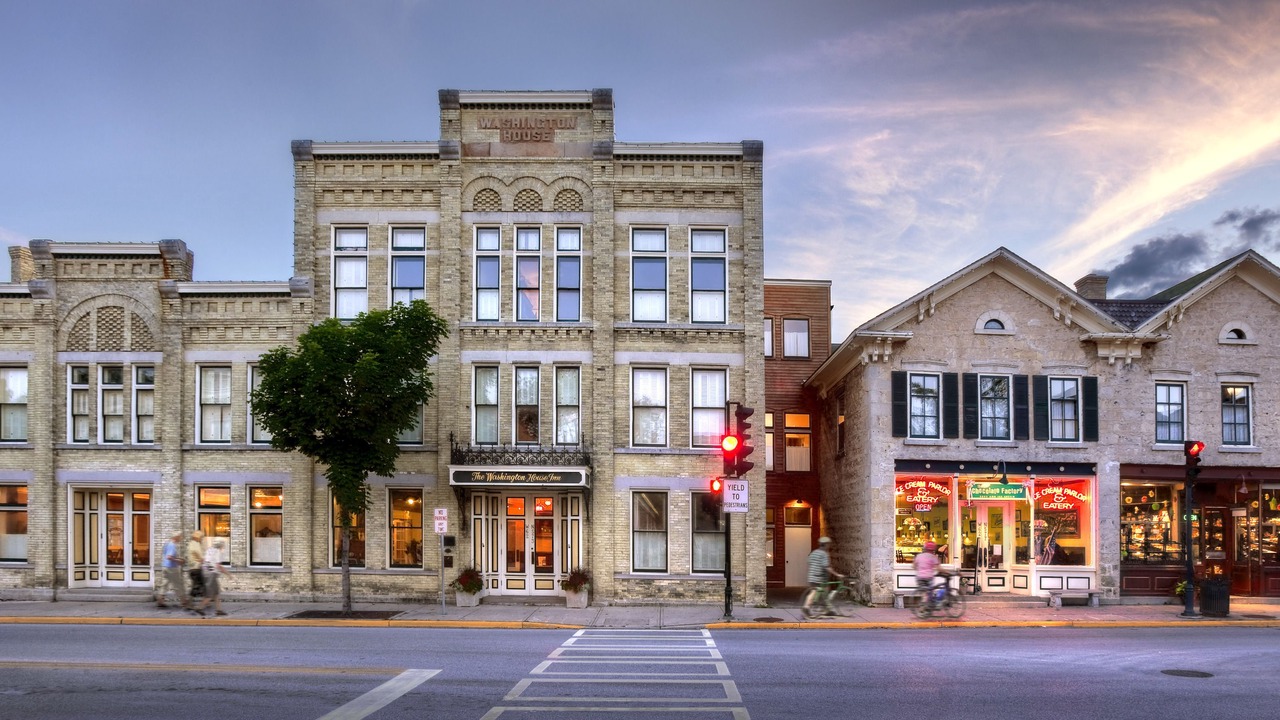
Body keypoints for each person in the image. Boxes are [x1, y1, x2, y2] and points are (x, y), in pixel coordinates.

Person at [802, 536, 844, 618]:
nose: (829, 546)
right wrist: (837, 574)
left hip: (812, 576)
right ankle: (806, 607)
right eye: (828, 544)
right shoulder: (824, 554)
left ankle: (828, 609)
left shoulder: (814, 552)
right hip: (819, 577)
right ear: (826, 545)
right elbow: (826, 567)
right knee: (815, 592)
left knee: (823, 591)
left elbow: (809, 561)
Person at [193, 539, 228, 617]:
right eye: (223, 544)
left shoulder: (209, 550)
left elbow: (204, 561)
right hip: (212, 574)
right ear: (220, 545)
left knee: (216, 593)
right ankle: (199, 608)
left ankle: (218, 610)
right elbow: (218, 566)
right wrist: (228, 574)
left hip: (206, 573)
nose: (224, 546)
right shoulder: (217, 552)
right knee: (210, 594)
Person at [156, 531, 187, 609]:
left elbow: (166, 555)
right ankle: (184, 602)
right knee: (178, 584)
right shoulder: (172, 545)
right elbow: (169, 557)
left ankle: (160, 601)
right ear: (176, 537)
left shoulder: (167, 544)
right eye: (180, 536)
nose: (181, 538)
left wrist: (177, 559)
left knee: (165, 583)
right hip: (172, 568)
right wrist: (178, 561)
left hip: (165, 566)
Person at [914, 541, 942, 606]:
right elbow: (939, 568)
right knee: (930, 592)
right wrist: (947, 572)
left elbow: (914, 566)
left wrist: (920, 569)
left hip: (920, 577)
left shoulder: (919, 556)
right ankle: (926, 607)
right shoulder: (933, 557)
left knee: (924, 593)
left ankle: (925, 606)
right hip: (929, 577)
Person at [186, 530, 206, 602]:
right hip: (197, 568)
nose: (201, 539)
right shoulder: (196, 544)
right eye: (201, 537)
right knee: (200, 586)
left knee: (197, 586)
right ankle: (190, 602)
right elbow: (201, 558)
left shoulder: (190, 543)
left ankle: (205, 602)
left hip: (192, 569)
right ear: (198, 537)